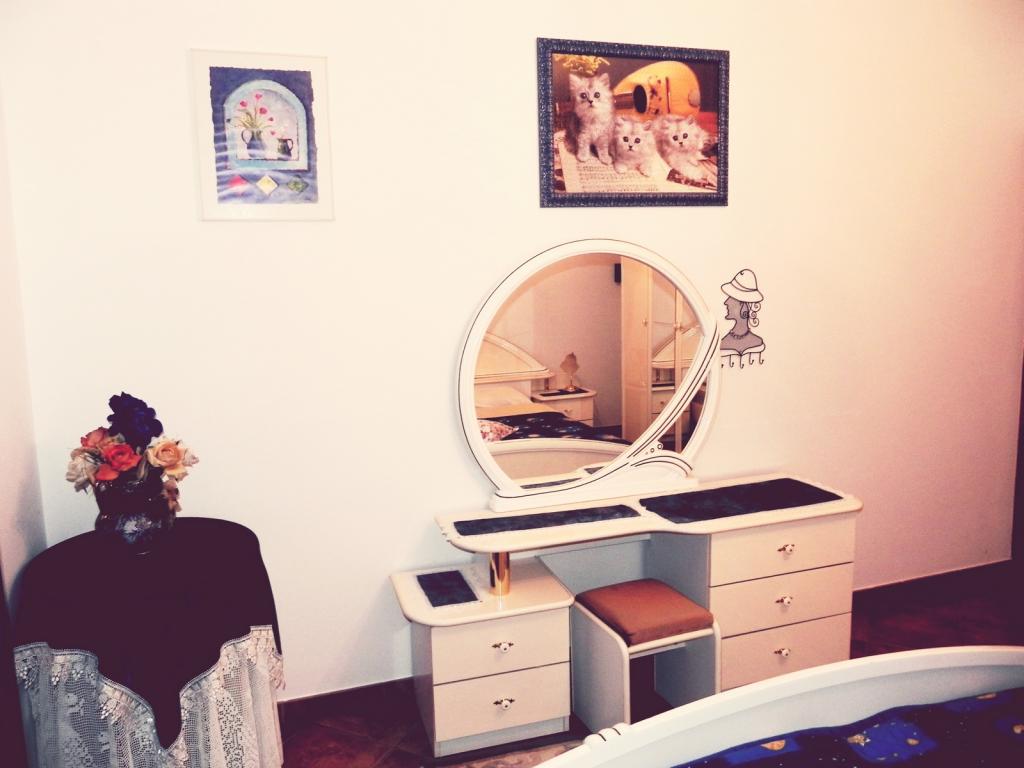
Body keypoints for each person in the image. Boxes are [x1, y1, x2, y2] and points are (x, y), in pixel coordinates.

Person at [720, 269, 765, 366]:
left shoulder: (757, 341)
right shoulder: (724, 342)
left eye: (731, 297)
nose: (726, 302)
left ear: (744, 306)